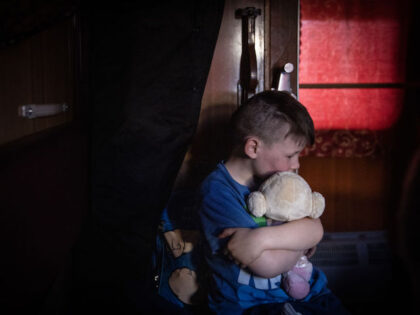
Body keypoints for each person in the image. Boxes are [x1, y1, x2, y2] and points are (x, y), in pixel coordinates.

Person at [198, 91, 349, 314]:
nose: (295, 165)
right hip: (254, 306)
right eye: (290, 155)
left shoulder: (279, 180)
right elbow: (266, 265)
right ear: (253, 148)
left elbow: (316, 228)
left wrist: (260, 238)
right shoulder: (217, 192)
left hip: (311, 293)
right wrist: (299, 241)